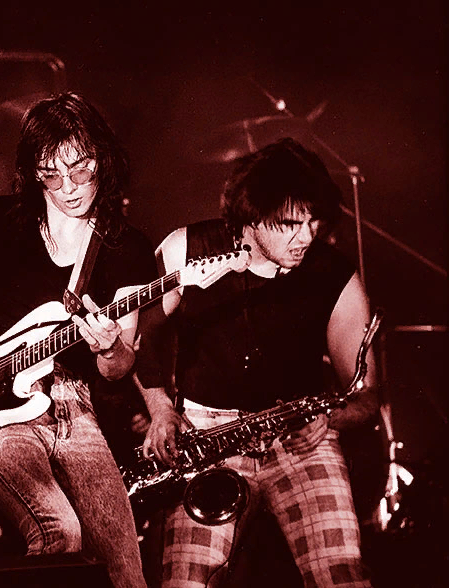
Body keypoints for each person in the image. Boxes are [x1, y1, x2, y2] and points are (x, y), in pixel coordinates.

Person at [0, 92, 157, 587]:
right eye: (51, 174)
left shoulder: (127, 248)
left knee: (126, 570)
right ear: (33, 172)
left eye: (81, 169)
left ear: (103, 159)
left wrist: (108, 346)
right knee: (59, 532)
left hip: (75, 409)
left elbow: (118, 368)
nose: (69, 187)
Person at [137, 137, 378, 587]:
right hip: (206, 436)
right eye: (290, 224)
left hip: (301, 439)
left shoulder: (335, 275)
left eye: (313, 221)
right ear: (250, 218)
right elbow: (141, 340)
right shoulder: (185, 247)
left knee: (342, 577)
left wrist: (332, 419)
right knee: (185, 582)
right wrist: (161, 410)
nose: (306, 237)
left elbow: (366, 395)